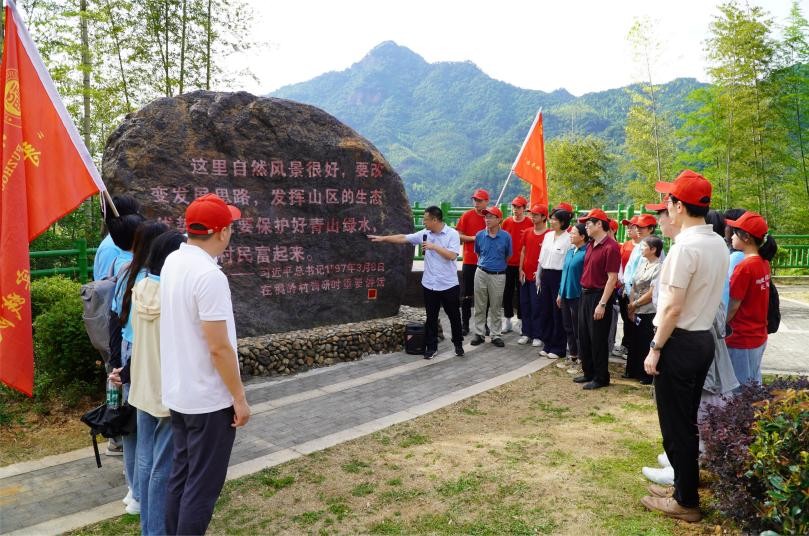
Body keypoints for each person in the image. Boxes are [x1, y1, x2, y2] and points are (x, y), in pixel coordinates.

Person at [641, 170, 728, 523]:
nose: (666, 207)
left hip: (678, 341)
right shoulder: (717, 242)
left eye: (668, 201)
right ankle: (681, 487)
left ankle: (686, 501)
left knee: (676, 425)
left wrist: (655, 346)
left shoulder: (684, 249)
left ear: (678, 206)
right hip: (701, 339)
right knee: (687, 421)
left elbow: (674, 307)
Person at [161, 193, 251, 535]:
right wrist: (239, 399)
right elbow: (219, 347)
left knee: (180, 478)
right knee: (201, 488)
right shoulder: (209, 276)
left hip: (180, 394)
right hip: (209, 400)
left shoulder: (173, 263)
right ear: (222, 232)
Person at [128, 230, 186, 536]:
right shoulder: (173, 296)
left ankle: (147, 526)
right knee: (164, 468)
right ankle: (156, 532)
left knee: (146, 460)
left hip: (142, 386)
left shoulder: (141, 287)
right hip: (167, 391)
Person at [109, 220, 169, 514]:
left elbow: (113, 319)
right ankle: (146, 496)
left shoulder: (126, 273)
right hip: (146, 353)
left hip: (126, 350)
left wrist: (114, 361)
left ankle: (134, 492)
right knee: (152, 427)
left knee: (133, 426)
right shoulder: (155, 282)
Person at [369, 206, 464, 359]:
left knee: (454, 316)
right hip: (429, 284)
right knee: (431, 317)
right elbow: (404, 238)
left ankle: (458, 344)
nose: (423, 222)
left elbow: (452, 256)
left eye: (426, 219)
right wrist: (382, 238)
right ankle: (431, 347)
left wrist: (434, 246)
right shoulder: (425, 233)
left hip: (449, 285)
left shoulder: (452, 234)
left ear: (435, 220)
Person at [725, 211, 777, 386]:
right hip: (758, 335)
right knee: (754, 384)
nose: (731, 236)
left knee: (740, 390)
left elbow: (733, 306)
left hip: (741, 337)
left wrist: (719, 325)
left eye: (735, 232)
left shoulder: (744, 268)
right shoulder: (763, 263)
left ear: (746, 237)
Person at [574, 208, 620, 390]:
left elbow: (612, 278)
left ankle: (601, 377)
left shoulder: (611, 247)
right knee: (584, 335)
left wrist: (602, 303)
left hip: (599, 296)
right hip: (585, 294)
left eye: (589, 223)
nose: (586, 227)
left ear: (599, 224)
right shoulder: (591, 244)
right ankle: (588, 372)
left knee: (598, 338)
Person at [470, 206, 512, 348]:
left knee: (496, 305)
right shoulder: (480, 235)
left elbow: (508, 255)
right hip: (481, 272)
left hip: (498, 275)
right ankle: (479, 333)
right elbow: (478, 253)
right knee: (479, 305)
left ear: (499, 219)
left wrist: (496, 265)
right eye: (485, 217)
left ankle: (495, 334)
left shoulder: (506, 236)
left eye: (490, 217)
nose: (487, 219)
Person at [536, 205, 572, 359]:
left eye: (555, 220)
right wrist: (538, 275)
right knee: (545, 310)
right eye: (551, 218)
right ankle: (548, 343)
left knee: (558, 312)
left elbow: (567, 264)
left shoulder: (569, 239)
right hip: (545, 274)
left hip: (559, 276)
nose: (551, 222)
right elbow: (541, 257)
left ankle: (559, 347)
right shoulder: (548, 236)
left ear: (563, 222)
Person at [626, 235, 663, 384]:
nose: (641, 249)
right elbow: (634, 285)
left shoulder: (659, 267)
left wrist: (635, 304)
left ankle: (645, 375)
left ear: (653, 249)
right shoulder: (642, 262)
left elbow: (652, 292)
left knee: (644, 340)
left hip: (648, 309)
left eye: (644, 247)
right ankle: (632, 370)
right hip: (635, 307)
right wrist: (631, 305)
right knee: (633, 340)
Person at [455, 189, 489, 335]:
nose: (477, 203)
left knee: (484, 295)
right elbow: (458, 235)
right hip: (469, 260)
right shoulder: (467, 216)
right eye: (475, 200)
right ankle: (465, 324)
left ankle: (484, 324)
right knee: (466, 294)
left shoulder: (491, 217)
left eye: (480, 200)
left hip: (486, 262)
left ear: (487, 201)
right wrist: (474, 238)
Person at [556, 222, 588, 373]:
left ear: (582, 236)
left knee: (578, 330)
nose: (570, 235)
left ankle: (582, 360)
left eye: (573, 233)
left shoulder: (586, 253)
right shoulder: (570, 252)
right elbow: (564, 273)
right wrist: (560, 293)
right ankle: (573, 356)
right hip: (565, 295)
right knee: (568, 327)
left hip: (578, 296)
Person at [517, 203, 549, 347]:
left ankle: (538, 334)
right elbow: (523, 251)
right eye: (532, 214)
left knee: (537, 306)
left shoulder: (549, 235)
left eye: (536, 215)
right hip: (525, 275)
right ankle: (526, 333)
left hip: (539, 277)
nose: (532, 217)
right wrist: (520, 269)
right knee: (524, 304)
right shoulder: (528, 232)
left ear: (543, 217)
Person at [501, 195, 532, 333]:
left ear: (524, 209)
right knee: (506, 292)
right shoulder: (506, 222)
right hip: (507, 264)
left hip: (522, 265)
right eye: (514, 206)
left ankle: (520, 321)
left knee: (521, 294)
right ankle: (507, 320)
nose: (515, 209)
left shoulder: (530, 223)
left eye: (519, 207)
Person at [93, 195, 141, 282]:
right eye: (136, 213)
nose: (139, 216)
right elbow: (107, 286)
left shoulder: (125, 241)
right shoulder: (111, 248)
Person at [612, 216, 638, 359]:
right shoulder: (626, 245)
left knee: (635, 319)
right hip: (623, 289)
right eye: (628, 226)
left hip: (638, 290)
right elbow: (621, 267)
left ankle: (632, 347)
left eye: (632, 226)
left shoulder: (646, 246)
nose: (629, 229)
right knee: (626, 317)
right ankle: (626, 345)